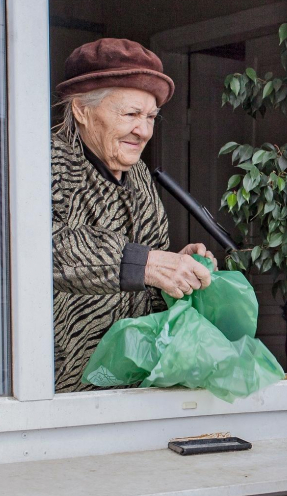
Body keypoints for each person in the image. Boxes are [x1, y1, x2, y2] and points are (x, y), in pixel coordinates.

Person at [52, 38, 216, 393]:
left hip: (130, 391)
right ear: (81, 109)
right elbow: (44, 249)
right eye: (130, 114)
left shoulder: (138, 175)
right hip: (61, 393)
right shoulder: (48, 162)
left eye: (151, 117)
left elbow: (151, 266)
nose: (144, 131)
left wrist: (175, 267)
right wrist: (148, 264)